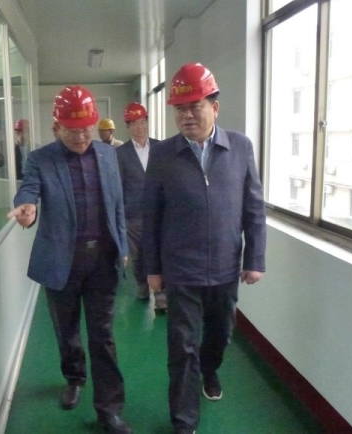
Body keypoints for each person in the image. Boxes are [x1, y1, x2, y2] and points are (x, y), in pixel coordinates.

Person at [141, 63, 267, 434]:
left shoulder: (240, 147)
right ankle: (184, 421)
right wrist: (152, 268)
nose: (186, 115)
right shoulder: (163, 154)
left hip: (226, 267)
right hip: (181, 270)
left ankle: (209, 370)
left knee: (219, 335)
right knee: (182, 346)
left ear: (215, 106)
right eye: (179, 109)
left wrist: (255, 258)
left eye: (194, 106)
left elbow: (253, 208)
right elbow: (151, 214)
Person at [7, 85, 132, 434]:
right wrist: (27, 207)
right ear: (56, 128)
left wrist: (122, 246)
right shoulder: (41, 159)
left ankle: (109, 410)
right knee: (67, 329)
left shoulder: (108, 156)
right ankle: (75, 377)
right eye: (72, 130)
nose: (80, 137)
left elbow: (117, 205)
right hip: (62, 260)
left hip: (102, 260)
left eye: (86, 129)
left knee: (103, 336)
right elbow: (29, 188)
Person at [115, 102, 164, 308]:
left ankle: (161, 294)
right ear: (128, 127)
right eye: (134, 123)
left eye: (143, 122)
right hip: (133, 214)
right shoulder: (120, 153)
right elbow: (118, 186)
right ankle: (143, 287)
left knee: (161, 251)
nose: (140, 127)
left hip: (160, 212)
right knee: (138, 254)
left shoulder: (162, 148)